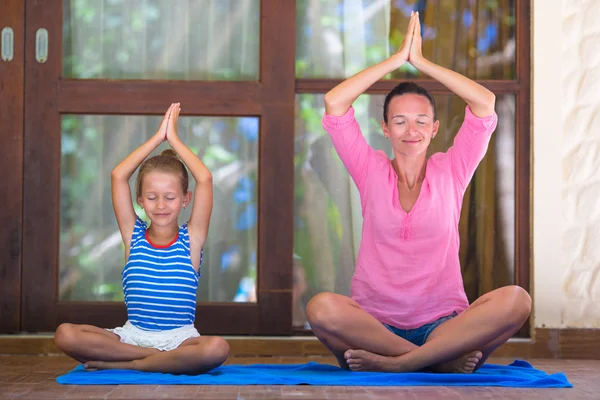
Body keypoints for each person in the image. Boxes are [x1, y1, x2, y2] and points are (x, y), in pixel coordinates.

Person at [305, 12, 531, 374]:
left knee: (516, 301)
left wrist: (422, 62)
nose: (412, 130)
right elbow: (335, 103)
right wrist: (396, 61)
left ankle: (399, 363)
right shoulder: (369, 168)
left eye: (421, 120)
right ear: (385, 128)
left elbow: (484, 103)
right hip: (374, 326)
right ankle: (434, 361)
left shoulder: (452, 169)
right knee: (321, 308)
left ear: (435, 128)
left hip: (443, 324)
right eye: (400, 121)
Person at [54, 103, 230, 375]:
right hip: (131, 337)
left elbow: (204, 178)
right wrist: (157, 137)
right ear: (139, 201)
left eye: (170, 197)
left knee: (217, 348)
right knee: (65, 334)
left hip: (179, 340)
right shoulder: (132, 235)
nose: (161, 204)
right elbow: (118, 175)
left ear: (185, 199)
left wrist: (174, 139)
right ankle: (153, 359)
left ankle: (129, 363)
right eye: (151, 197)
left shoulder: (191, 239)